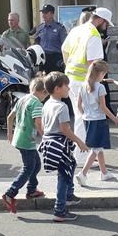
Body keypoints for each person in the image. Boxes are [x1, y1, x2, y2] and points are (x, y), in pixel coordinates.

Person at [61, 7, 111, 163]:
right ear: (101, 20)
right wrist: (94, 84)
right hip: (83, 81)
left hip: (70, 77)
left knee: (80, 115)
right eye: (106, 23)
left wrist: (68, 66)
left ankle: (84, 152)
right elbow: (93, 64)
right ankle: (82, 155)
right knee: (84, 117)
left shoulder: (77, 30)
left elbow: (64, 49)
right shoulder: (94, 35)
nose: (107, 26)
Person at [37, 72, 87, 222]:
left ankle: (68, 196)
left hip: (50, 142)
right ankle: (60, 209)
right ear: (58, 88)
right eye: (66, 85)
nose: (68, 88)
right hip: (59, 144)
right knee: (64, 176)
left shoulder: (47, 104)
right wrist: (79, 141)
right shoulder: (62, 106)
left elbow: (44, 125)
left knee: (70, 165)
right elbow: (65, 129)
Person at [1, 77, 47, 213]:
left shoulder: (22, 99)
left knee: (36, 164)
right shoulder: (37, 104)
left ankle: (32, 189)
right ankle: (10, 193)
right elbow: (38, 123)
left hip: (19, 137)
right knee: (28, 168)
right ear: (43, 92)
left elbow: (10, 117)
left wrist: (9, 133)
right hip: (27, 140)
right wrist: (45, 137)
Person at [74, 60, 118, 187]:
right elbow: (103, 107)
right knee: (96, 148)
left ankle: (104, 172)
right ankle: (83, 173)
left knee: (98, 147)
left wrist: (84, 114)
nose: (104, 77)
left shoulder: (82, 85)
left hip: (87, 119)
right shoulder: (100, 87)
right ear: (100, 73)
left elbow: (79, 105)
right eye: (104, 74)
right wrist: (115, 119)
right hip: (99, 120)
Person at [33, 4, 68, 73]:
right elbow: (36, 42)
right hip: (42, 58)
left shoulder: (59, 28)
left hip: (55, 59)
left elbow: (65, 44)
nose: (43, 15)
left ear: (52, 14)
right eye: (43, 13)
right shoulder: (40, 28)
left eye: (46, 13)